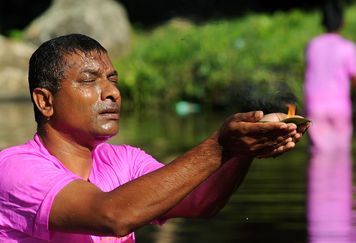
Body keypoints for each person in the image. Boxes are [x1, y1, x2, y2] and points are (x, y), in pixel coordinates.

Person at [0, 33, 309, 242]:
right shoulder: (13, 169)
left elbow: (198, 202)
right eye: (89, 80)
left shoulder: (126, 160)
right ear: (45, 102)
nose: (112, 93)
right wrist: (219, 145)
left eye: (113, 80)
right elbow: (112, 215)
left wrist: (241, 151)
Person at [304, 3, 356, 153]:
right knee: (340, 154)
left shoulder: (312, 45)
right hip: (339, 107)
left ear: (322, 22)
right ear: (343, 23)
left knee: (318, 154)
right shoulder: (348, 47)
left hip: (315, 106)